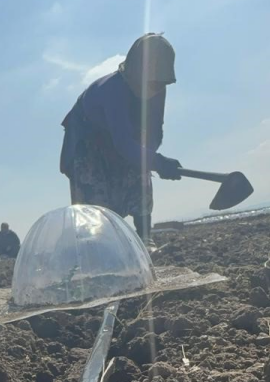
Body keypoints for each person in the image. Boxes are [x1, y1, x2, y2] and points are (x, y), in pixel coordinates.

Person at [60, 33, 182, 246]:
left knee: (141, 172)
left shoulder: (158, 90)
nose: (154, 88)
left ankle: (145, 240)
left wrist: (150, 159)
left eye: (159, 83)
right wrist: (156, 161)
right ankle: (96, 248)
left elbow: (154, 133)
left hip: (120, 139)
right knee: (95, 203)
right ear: (136, 74)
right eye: (151, 82)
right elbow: (123, 142)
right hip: (87, 139)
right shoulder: (113, 90)